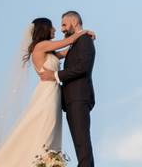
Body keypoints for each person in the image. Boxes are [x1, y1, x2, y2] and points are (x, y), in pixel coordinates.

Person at [0, 17, 95, 166]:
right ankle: (41, 160)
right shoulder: (41, 45)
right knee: (45, 125)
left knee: (49, 127)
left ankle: (45, 160)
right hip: (47, 93)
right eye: (52, 27)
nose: (56, 30)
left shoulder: (47, 50)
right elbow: (67, 42)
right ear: (44, 29)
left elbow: (65, 51)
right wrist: (84, 32)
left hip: (54, 92)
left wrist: (80, 41)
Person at [40, 10, 97, 167]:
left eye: (64, 24)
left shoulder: (84, 40)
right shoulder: (75, 43)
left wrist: (56, 75)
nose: (62, 29)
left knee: (82, 141)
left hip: (79, 98)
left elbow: (83, 67)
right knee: (79, 142)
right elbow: (63, 50)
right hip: (71, 100)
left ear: (74, 21)